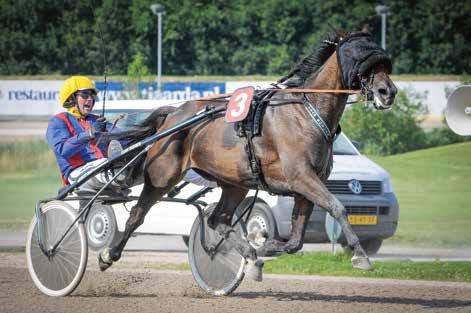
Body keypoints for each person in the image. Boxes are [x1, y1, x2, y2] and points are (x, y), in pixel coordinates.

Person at [46, 76, 125, 191]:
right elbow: (64, 150)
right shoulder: (58, 121)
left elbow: (123, 137)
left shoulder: (97, 120)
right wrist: (90, 133)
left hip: (101, 167)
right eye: (85, 95)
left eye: (92, 95)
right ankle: (117, 173)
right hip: (76, 173)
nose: (90, 99)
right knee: (107, 165)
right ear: (71, 98)